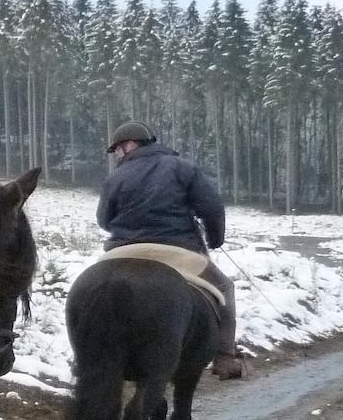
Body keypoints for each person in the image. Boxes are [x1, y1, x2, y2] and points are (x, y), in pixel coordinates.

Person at [98, 122, 244, 379]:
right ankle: (225, 356)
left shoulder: (115, 177)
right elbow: (212, 207)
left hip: (125, 251)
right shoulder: (182, 167)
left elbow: (104, 220)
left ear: (129, 145)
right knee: (224, 288)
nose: (117, 156)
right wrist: (214, 240)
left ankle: (90, 355)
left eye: (117, 150)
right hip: (179, 250)